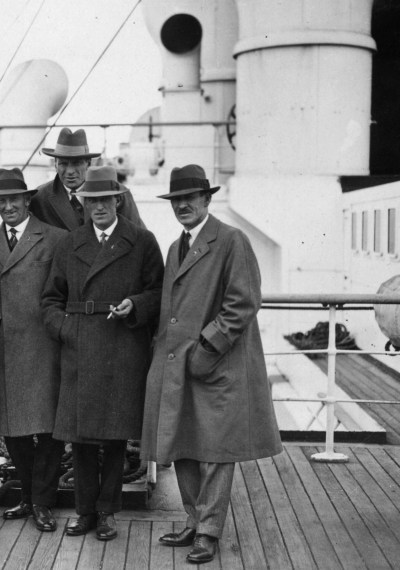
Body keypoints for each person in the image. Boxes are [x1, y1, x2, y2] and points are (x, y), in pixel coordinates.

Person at [141, 164, 281, 564]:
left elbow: (243, 303)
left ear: (207, 199)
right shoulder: (175, 248)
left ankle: (209, 531)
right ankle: (193, 520)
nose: (182, 205)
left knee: (217, 452)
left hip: (215, 365)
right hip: (179, 365)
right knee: (182, 443)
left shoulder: (232, 240)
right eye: (176, 200)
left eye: (190, 198)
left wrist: (205, 349)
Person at [41, 165, 164, 541]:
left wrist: (136, 305)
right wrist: (67, 329)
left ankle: (108, 513)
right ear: (84, 203)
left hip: (121, 346)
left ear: (117, 200)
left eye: (104, 199)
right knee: (79, 437)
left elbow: (159, 294)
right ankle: (84, 512)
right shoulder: (70, 243)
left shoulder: (142, 241)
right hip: (80, 346)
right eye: (91, 200)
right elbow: (49, 300)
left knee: (114, 437)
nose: (98, 206)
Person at [0, 168, 67, 533]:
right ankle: (29, 497)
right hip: (7, 347)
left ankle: (43, 502)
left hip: (44, 345)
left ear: (27, 200)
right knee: (14, 431)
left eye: (13, 199)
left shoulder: (55, 238)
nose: (8, 206)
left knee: (48, 431)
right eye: (1, 201)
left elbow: (64, 291)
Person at [30, 128, 143, 231]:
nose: (70, 171)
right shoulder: (40, 197)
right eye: (63, 164)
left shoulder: (118, 193)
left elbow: (138, 238)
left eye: (76, 163)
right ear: (55, 164)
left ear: (88, 163)